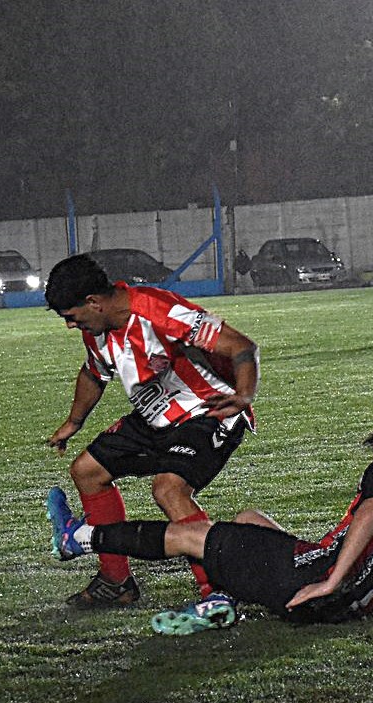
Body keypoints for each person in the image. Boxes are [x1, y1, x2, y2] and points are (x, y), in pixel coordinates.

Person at [46, 413, 373, 635]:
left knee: (193, 536)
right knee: (248, 521)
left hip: (318, 586)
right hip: (350, 601)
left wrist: (330, 581)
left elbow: (370, 513)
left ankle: (81, 538)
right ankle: (223, 595)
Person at [44, 253, 260, 609]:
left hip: (208, 411)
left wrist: (244, 394)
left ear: (93, 302)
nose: (70, 325)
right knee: (87, 471)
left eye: (71, 316)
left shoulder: (160, 311)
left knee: (169, 489)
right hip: (155, 418)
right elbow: (94, 373)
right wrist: (73, 423)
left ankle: (217, 592)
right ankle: (116, 581)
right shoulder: (97, 329)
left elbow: (241, 346)